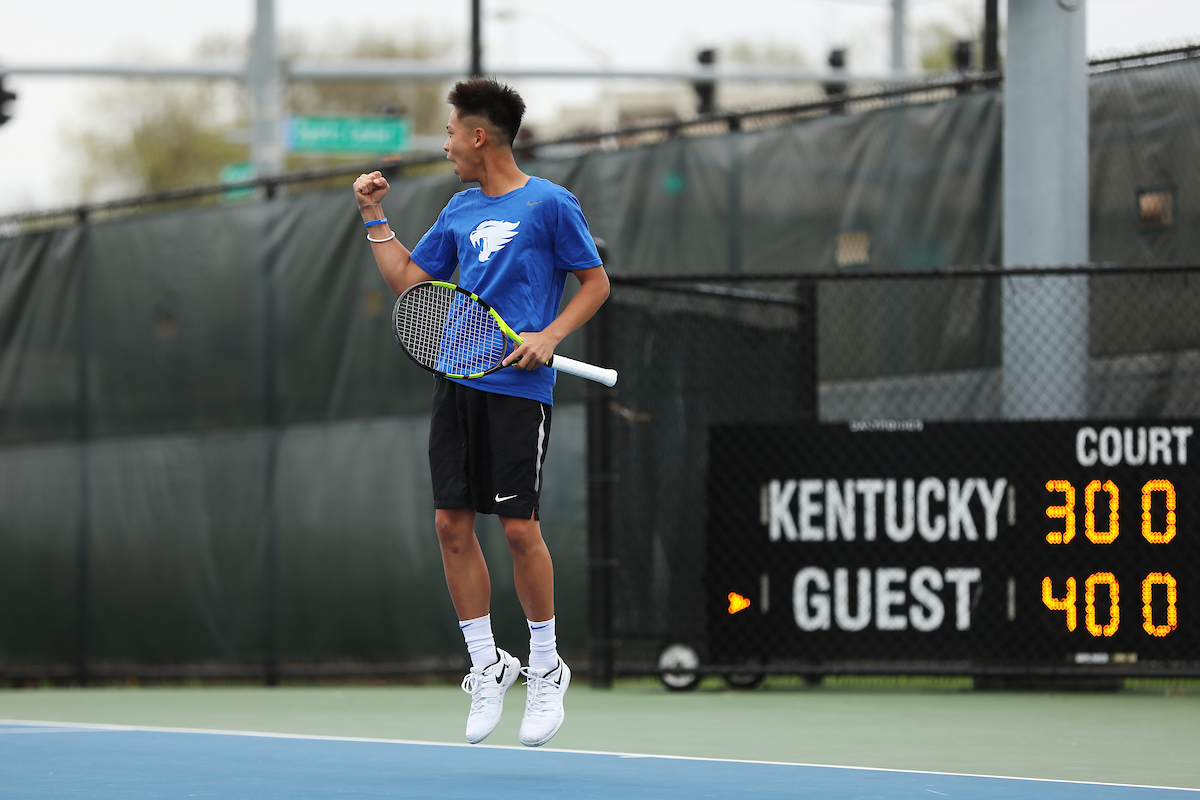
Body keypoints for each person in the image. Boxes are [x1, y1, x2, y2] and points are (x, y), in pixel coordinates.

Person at [352, 77, 609, 748]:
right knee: (450, 525)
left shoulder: (551, 205)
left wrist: (550, 335)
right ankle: (487, 662)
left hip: (519, 393)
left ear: (478, 135)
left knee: (520, 532)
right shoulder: (461, 209)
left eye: (448, 133)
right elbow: (412, 283)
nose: (444, 147)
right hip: (457, 378)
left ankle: (547, 666)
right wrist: (375, 218)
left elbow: (595, 282)